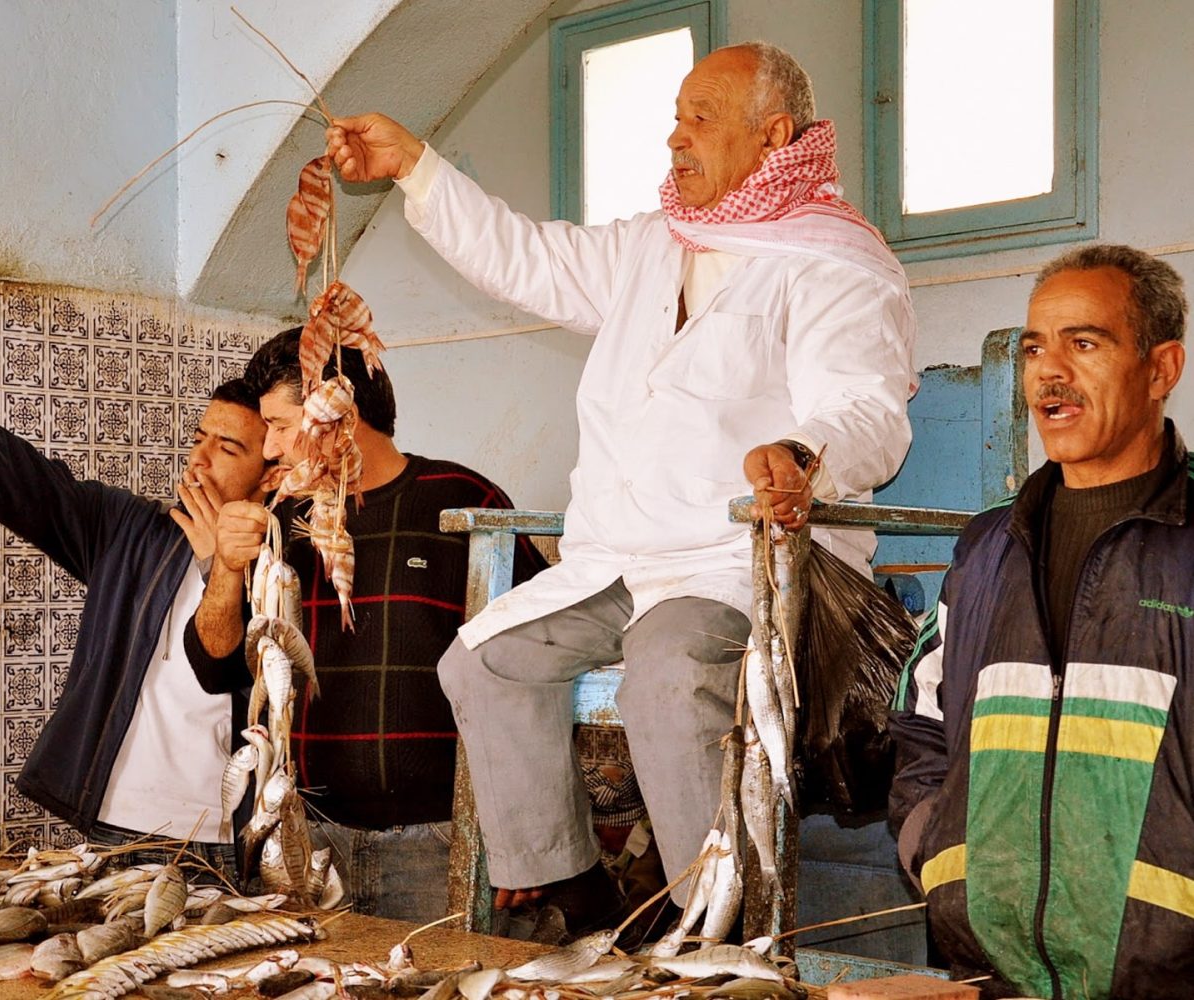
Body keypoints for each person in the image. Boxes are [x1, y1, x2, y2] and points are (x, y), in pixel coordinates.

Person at [326, 40, 915, 926]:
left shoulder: (833, 263)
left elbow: (869, 408)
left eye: (700, 117)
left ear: (774, 135)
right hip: (618, 559)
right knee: (483, 660)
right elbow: (524, 257)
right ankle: (578, 895)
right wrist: (415, 165)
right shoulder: (653, 243)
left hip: (739, 560)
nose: (675, 137)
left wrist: (804, 452)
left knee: (667, 676)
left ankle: (720, 928)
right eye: (675, 116)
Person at [889, 244, 1190, 999]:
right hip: (986, 978)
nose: (1048, 372)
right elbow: (919, 723)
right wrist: (933, 847)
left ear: (1162, 370)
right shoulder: (986, 548)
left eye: (1083, 343)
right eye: (1033, 348)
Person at [0, 353, 272, 879]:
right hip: (111, 825)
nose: (199, 460)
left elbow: (240, 670)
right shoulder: (130, 530)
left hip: (219, 846)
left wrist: (218, 567)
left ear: (271, 474)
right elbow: (23, 483)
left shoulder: (284, 570)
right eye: (199, 437)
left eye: (227, 448)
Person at [186, 328, 546, 921]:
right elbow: (214, 666)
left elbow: (536, 666)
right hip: (308, 842)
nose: (271, 449)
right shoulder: (283, 520)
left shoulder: (462, 501)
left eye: (280, 425)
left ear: (336, 413)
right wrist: (226, 567)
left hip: (441, 843)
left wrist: (525, 829)